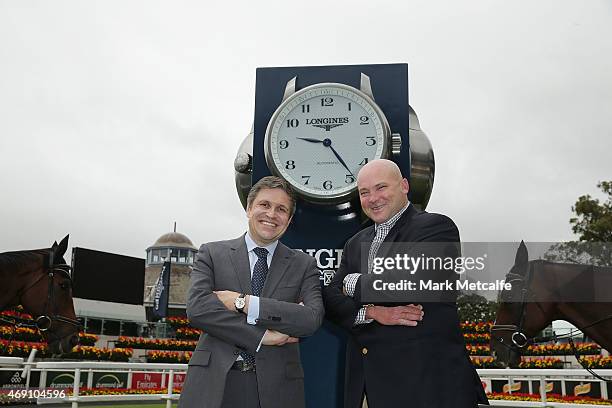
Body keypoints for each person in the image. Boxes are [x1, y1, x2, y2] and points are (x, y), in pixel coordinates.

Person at [324, 159, 488, 408]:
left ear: (404, 186)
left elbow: (411, 281)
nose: (373, 198)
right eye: (364, 192)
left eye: (381, 187)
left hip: (426, 387)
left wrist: (352, 283)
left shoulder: (435, 227)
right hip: (367, 388)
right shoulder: (355, 243)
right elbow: (330, 299)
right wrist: (372, 311)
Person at [180, 176, 324, 408]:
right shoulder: (212, 253)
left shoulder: (304, 265)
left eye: (281, 209)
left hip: (277, 390)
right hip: (214, 385)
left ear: (288, 219)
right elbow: (198, 309)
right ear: (249, 208)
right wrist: (261, 336)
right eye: (264, 205)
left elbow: (311, 318)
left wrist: (244, 303)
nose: (271, 214)